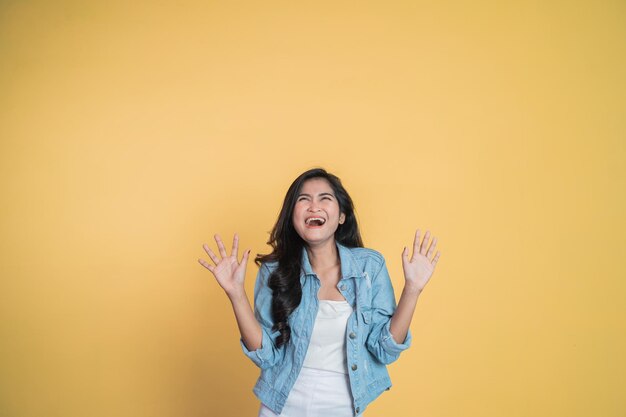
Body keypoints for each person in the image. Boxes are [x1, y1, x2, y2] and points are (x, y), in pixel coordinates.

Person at [198, 168, 441, 416]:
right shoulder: (275, 271)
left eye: (325, 198)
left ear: (342, 216)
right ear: (292, 217)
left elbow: (384, 350)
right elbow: (266, 356)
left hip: (342, 405)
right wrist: (236, 294)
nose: (314, 206)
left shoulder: (369, 267)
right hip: (281, 405)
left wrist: (412, 290)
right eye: (303, 200)